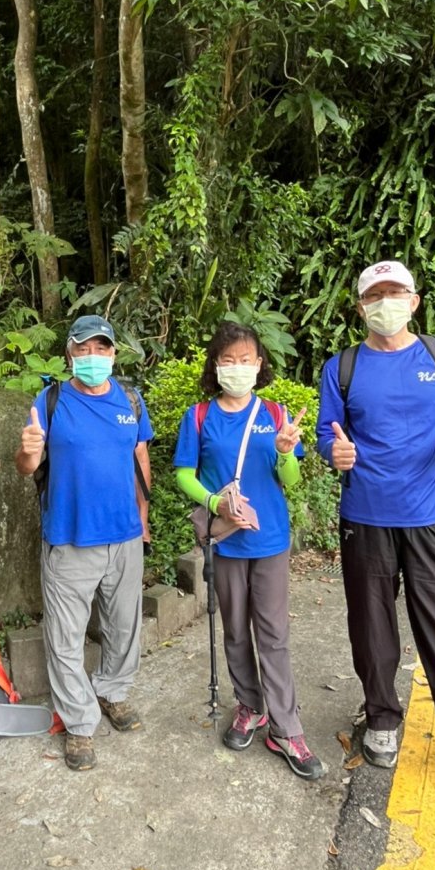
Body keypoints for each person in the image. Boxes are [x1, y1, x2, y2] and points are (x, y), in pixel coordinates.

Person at [316, 259, 435, 798]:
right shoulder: (342, 367)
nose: (385, 302)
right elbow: (331, 437)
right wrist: (337, 452)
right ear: (360, 307)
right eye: (375, 295)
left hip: (434, 517)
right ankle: (381, 719)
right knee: (371, 630)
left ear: (414, 301)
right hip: (366, 518)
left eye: (396, 292)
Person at [174, 321, 324, 780]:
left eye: (246, 360)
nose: (237, 367)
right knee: (236, 631)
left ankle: (286, 727)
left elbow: (291, 482)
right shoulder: (199, 416)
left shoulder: (276, 415)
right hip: (226, 542)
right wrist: (216, 502)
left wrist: (283, 452)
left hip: (270, 540)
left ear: (260, 365)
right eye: (228, 360)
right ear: (215, 365)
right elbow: (183, 473)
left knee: (273, 634)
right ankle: (249, 705)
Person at [15, 315, 153, 771]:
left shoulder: (130, 399)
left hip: (124, 536)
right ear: (70, 353)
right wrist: (29, 452)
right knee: (65, 636)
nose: (93, 357)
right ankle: (78, 722)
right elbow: (25, 464)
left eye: (102, 349)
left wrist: (144, 518)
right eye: (84, 348)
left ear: (114, 354)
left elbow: (140, 456)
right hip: (70, 537)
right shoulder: (52, 400)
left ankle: (112, 691)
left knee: (124, 624)